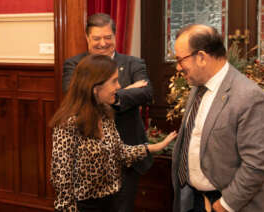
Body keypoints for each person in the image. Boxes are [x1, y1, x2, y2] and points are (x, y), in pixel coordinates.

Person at [50, 54, 177, 212]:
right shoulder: (69, 124)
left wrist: (152, 147)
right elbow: (61, 178)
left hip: (113, 202)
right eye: (114, 81)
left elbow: (119, 151)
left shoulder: (105, 114)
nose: (119, 86)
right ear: (95, 88)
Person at [171, 24, 264, 212]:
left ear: (201, 57)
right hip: (194, 200)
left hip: (229, 204)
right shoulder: (197, 86)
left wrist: (224, 205)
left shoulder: (249, 96)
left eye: (180, 59)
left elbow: (257, 164)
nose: (178, 67)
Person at [62, 13, 153, 212]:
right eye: (96, 38)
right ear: (87, 38)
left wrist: (108, 96)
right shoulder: (74, 65)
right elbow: (76, 99)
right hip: (88, 161)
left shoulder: (133, 63)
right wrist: (126, 91)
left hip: (127, 158)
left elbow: (146, 92)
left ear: (115, 36)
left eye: (108, 37)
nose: (103, 43)